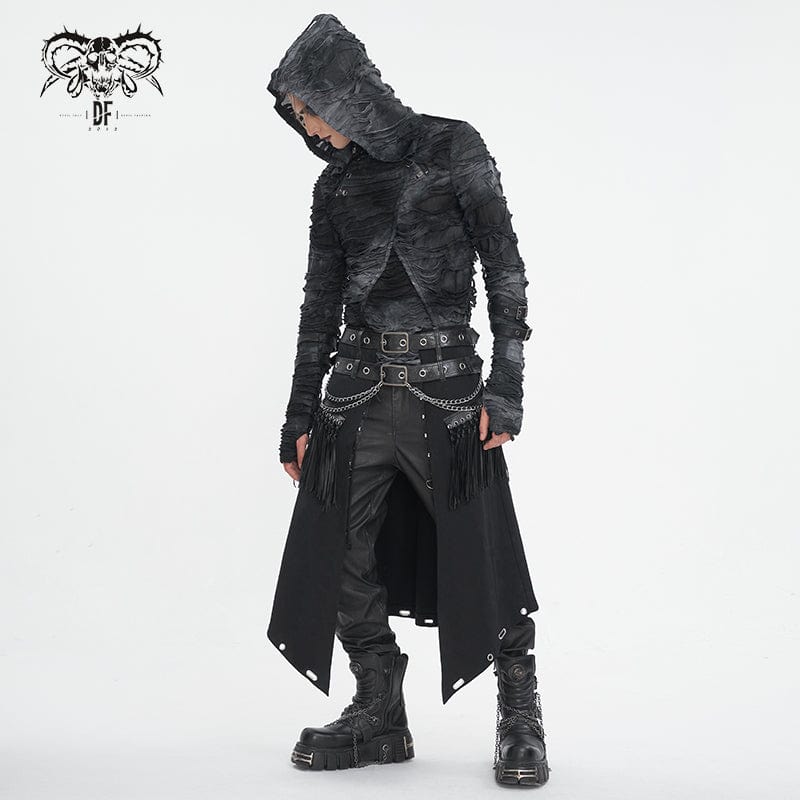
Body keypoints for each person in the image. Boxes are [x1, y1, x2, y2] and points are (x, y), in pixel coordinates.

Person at [265, 13, 550, 787]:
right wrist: (298, 416)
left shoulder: (454, 146)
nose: (309, 127)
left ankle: (519, 715)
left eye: (311, 108)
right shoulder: (334, 186)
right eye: (298, 115)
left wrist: (507, 385)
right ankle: (378, 707)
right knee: (337, 549)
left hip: (448, 393)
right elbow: (319, 306)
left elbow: (505, 267)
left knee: (483, 551)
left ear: (345, 93)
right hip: (353, 396)